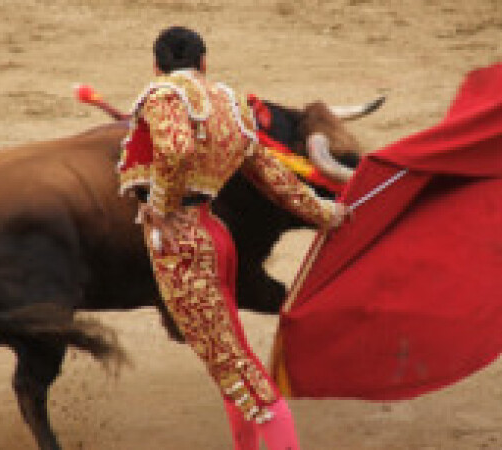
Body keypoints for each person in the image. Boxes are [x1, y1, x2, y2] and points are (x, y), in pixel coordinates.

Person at [117, 26, 347, 450]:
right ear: (204, 62)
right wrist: (324, 212)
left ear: (156, 65)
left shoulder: (164, 96)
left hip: (183, 245)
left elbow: (177, 150)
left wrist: (162, 206)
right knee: (228, 361)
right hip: (214, 234)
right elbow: (272, 174)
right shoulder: (230, 103)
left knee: (234, 367)